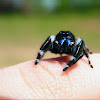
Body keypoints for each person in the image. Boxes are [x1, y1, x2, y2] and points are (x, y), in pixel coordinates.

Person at [0, 54, 100, 99]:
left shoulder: (77, 44)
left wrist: (69, 66)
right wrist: (38, 60)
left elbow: (81, 48)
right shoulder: (53, 41)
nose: (64, 43)